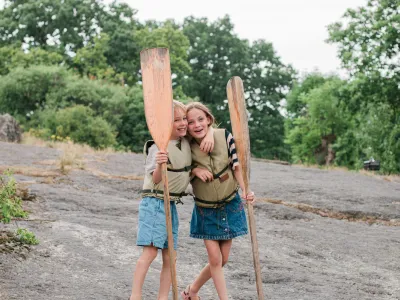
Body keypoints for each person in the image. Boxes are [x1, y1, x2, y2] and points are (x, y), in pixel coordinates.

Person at [129, 100, 214, 300]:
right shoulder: (157, 146)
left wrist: (196, 169)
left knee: (171, 257)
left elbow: (207, 131)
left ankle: (162, 297)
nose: (183, 123)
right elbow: (156, 178)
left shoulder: (186, 142)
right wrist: (160, 164)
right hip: (154, 202)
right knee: (150, 253)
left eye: (184, 118)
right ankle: (135, 296)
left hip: (171, 204)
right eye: (177, 120)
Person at [181, 102, 255, 300]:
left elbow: (236, 167)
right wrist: (195, 170)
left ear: (208, 120)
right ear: (185, 126)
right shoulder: (186, 146)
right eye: (190, 122)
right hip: (206, 209)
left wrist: (247, 190)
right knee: (215, 259)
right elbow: (180, 171)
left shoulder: (224, 136)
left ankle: (192, 290)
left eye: (201, 119)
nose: (196, 125)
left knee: (223, 260)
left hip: (230, 203)